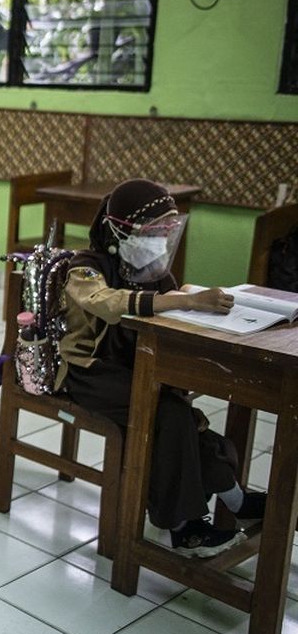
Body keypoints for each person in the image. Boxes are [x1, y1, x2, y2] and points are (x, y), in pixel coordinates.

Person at [59, 178, 261, 558]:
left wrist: (191, 299)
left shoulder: (151, 268)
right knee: (170, 414)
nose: (161, 238)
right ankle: (186, 526)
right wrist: (180, 302)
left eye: (168, 230)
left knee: (181, 417)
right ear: (123, 228)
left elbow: (172, 297)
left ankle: (233, 502)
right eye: (155, 230)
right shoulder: (86, 266)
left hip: (137, 370)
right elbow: (105, 302)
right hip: (90, 373)